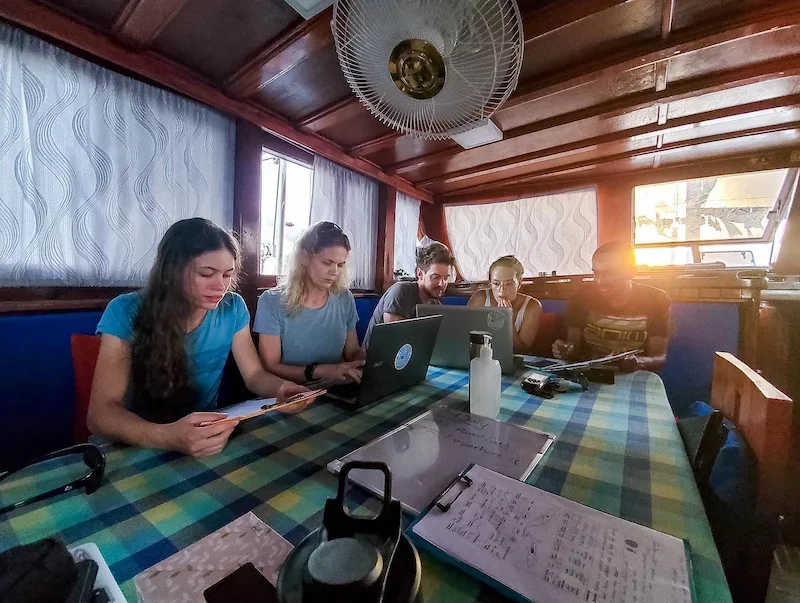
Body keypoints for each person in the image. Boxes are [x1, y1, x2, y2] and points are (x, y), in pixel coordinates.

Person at [88, 218, 310, 458]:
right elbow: (100, 415)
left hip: (203, 438)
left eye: (227, 275)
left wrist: (282, 389)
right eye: (206, 274)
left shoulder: (233, 308)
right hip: (135, 442)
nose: (220, 286)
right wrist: (167, 436)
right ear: (172, 272)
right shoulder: (125, 311)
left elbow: (254, 375)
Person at [255, 222, 365, 385]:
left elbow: (352, 351)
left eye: (340, 265)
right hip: (290, 392)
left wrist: (364, 362)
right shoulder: (271, 301)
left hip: (335, 389)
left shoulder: (344, 298)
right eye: (327, 263)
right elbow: (270, 366)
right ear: (304, 257)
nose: (334, 272)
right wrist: (319, 371)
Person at [552, 242, 671, 372]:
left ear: (632, 272)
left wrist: (638, 362)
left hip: (632, 375)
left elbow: (659, 357)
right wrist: (566, 350)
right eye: (596, 273)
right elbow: (573, 346)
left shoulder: (656, 299)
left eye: (610, 273)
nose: (600, 281)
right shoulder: (581, 296)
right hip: (588, 374)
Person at [362, 241, 455, 347]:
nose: (441, 284)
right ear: (420, 274)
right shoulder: (401, 291)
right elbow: (395, 342)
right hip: (377, 356)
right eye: (435, 277)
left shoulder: (436, 305)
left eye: (446, 278)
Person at [467, 255, 542, 354]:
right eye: (496, 284)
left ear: (519, 284)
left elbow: (521, 351)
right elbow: (463, 336)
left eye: (509, 284)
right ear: (490, 283)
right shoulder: (480, 298)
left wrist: (507, 321)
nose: (502, 291)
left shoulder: (532, 306)